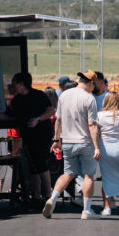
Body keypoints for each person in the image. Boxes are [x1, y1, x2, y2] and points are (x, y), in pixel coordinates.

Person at [0, 72, 55, 208]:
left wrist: (38, 119)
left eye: (14, 84)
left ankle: (48, 197)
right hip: (27, 136)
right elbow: (8, 117)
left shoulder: (39, 95)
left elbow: (51, 110)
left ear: (21, 84)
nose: (12, 87)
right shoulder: (16, 101)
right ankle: (36, 196)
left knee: (41, 165)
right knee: (33, 167)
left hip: (42, 135)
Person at [43, 70, 102, 220]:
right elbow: (92, 124)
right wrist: (97, 146)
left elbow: (58, 120)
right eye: (93, 86)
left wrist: (56, 140)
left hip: (68, 142)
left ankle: (52, 199)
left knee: (68, 173)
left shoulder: (64, 95)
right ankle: (87, 210)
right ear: (90, 83)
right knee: (89, 175)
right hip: (85, 142)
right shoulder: (89, 99)